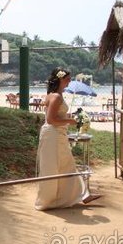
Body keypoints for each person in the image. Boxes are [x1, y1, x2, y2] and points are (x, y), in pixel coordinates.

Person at [35, 67, 101, 210]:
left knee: (67, 164)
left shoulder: (54, 95)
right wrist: (71, 121)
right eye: (67, 78)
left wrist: (68, 118)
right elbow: (51, 119)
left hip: (56, 134)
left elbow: (55, 116)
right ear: (60, 79)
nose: (70, 80)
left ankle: (83, 195)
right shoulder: (56, 97)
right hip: (53, 134)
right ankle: (49, 200)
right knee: (52, 167)